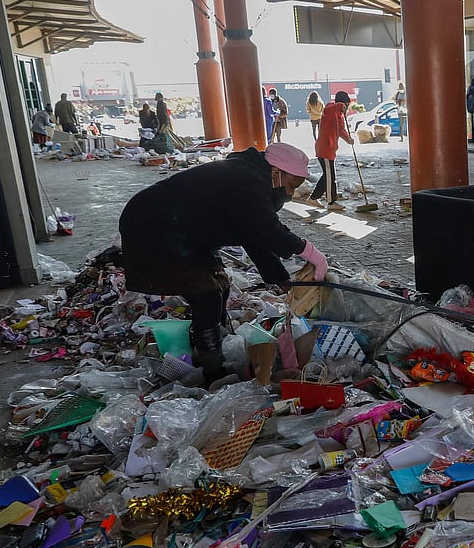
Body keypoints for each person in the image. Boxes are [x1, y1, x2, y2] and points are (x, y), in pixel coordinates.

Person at [119, 143, 327, 381]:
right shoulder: (246, 179)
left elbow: (253, 234)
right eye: (291, 185)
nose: (289, 194)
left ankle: (210, 344)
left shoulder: (252, 176)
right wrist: (309, 251)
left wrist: (280, 279)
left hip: (183, 230)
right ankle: (213, 371)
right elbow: (267, 230)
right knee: (205, 292)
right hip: (154, 226)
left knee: (220, 284)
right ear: (276, 172)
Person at [309, 91, 354, 210]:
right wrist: (340, 105)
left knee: (327, 176)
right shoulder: (330, 109)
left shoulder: (339, 116)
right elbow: (331, 108)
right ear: (343, 104)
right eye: (347, 105)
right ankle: (331, 202)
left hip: (330, 149)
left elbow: (341, 130)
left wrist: (349, 140)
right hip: (324, 149)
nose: (347, 108)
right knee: (330, 177)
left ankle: (313, 198)